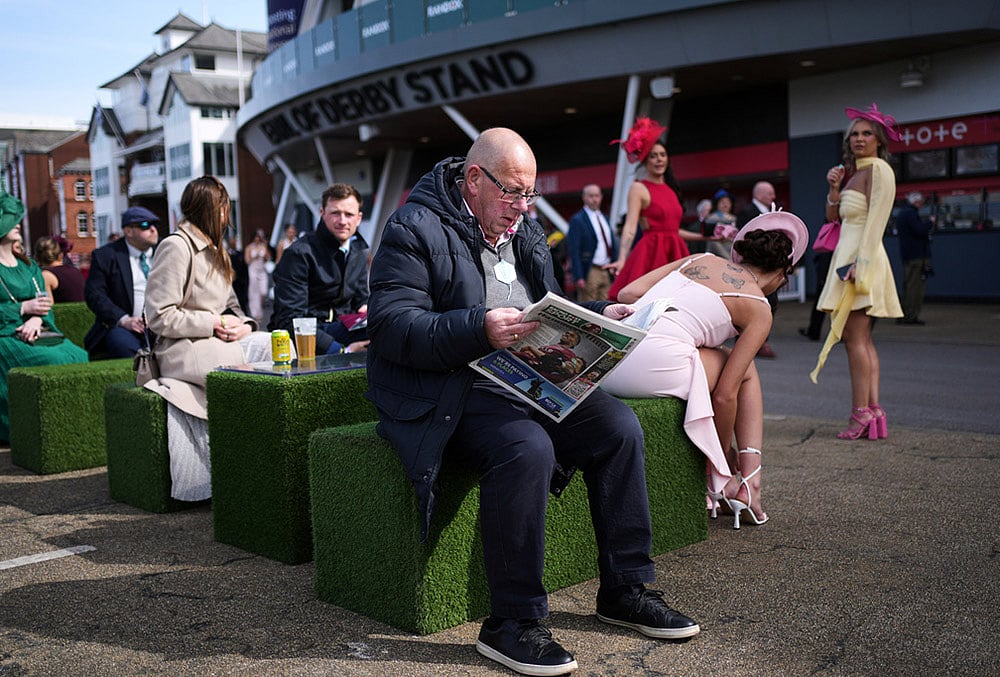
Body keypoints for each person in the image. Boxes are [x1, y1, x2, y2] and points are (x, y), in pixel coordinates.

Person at [366, 127, 699, 677]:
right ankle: (511, 623)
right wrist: (479, 327)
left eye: (530, 194)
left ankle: (626, 588)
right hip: (452, 385)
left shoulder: (523, 229)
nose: (523, 207)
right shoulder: (412, 226)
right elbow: (392, 325)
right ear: (474, 179)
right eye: (513, 193)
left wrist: (594, 315)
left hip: (525, 373)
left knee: (618, 428)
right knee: (527, 448)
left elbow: (542, 303)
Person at [602, 210, 808, 530]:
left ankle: (743, 485)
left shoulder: (701, 258)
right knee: (747, 371)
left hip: (613, 355)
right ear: (784, 273)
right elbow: (726, 396)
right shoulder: (759, 308)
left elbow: (628, 294)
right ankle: (748, 485)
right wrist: (723, 457)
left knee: (714, 357)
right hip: (654, 365)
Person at [142, 176, 263, 501]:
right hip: (182, 349)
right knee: (247, 377)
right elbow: (158, 316)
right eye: (224, 208)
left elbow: (236, 307)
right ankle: (240, 471)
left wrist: (245, 326)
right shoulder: (176, 247)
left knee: (274, 344)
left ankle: (259, 462)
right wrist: (211, 322)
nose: (228, 215)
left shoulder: (217, 250)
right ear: (213, 209)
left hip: (218, 339)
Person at [810, 103, 903, 440]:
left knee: (854, 339)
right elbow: (833, 219)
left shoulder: (880, 170)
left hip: (859, 263)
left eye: (866, 133)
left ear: (879, 139)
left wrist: (858, 268)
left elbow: (876, 223)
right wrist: (834, 188)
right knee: (861, 339)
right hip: (848, 259)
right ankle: (872, 410)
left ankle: (861, 413)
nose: (859, 139)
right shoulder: (855, 172)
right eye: (854, 135)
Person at [0, 191, 88, 441]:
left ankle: (73, 423)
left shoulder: (28, 265)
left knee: (78, 356)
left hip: (37, 331)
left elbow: (43, 304)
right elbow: (28, 305)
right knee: (54, 361)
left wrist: (37, 319)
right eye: (10, 218)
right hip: (6, 336)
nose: (18, 223)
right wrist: (22, 309)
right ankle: (34, 431)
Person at [607, 118, 709, 301]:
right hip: (651, 254)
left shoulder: (671, 190)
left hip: (676, 251)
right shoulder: (638, 188)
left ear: (668, 158)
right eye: (653, 155)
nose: (659, 159)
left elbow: (673, 231)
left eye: (662, 154)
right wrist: (622, 258)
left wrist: (706, 236)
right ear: (645, 161)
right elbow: (630, 227)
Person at [269, 183, 370, 355]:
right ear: (322, 213)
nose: (343, 221)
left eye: (349, 214)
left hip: (345, 326)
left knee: (391, 323)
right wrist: (341, 351)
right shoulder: (298, 254)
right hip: (309, 334)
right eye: (335, 213)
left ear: (359, 218)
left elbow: (361, 300)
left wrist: (366, 309)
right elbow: (291, 320)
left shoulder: (358, 251)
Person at [83, 206, 160, 358]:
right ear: (128, 231)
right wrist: (124, 320)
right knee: (125, 348)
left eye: (154, 224)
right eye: (145, 225)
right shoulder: (106, 256)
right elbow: (95, 294)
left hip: (163, 324)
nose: (153, 229)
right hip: (124, 327)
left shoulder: (166, 251)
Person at [737, 181, 781, 358]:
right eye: (770, 193)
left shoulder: (774, 212)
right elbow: (742, 238)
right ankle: (750, 341)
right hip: (753, 266)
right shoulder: (746, 212)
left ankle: (760, 339)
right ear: (759, 194)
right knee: (752, 302)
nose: (774, 196)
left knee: (771, 302)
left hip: (770, 265)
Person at [566, 184, 617, 301]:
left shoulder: (605, 218)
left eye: (597, 196)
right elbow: (574, 250)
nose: (594, 199)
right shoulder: (577, 220)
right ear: (584, 198)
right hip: (590, 269)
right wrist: (578, 276)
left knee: (606, 305)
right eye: (591, 196)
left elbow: (610, 243)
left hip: (606, 269)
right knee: (589, 307)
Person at [895, 191, 934, 325]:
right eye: (921, 202)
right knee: (915, 287)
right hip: (917, 256)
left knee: (907, 285)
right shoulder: (911, 214)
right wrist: (930, 223)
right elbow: (919, 230)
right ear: (916, 202)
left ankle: (903, 314)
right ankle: (910, 316)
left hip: (907, 255)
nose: (922, 205)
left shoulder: (902, 213)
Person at [512, 329, 584, 384]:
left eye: (572, 336)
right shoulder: (551, 346)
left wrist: (532, 349)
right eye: (567, 333)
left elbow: (569, 370)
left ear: (574, 343)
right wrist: (531, 352)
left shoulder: (570, 354)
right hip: (522, 361)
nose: (567, 334)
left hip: (534, 373)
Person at [33, 236, 85, 302]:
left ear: (37, 257)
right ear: (60, 255)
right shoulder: (77, 272)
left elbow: (45, 306)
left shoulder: (45, 276)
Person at [243, 229, 271, 321]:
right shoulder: (249, 248)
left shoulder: (263, 246)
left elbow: (268, 258)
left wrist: (265, 248)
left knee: (263, 291)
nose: (257, 239)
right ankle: (256, 313)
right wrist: (254, 256)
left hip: (262, 270)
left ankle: (259, 308)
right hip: (253, 270)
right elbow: (247, 261)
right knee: (254, 292)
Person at [704, 189, 738, 259]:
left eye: (728, 202)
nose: (725, 205)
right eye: (722, 202)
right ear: (717, 204)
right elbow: (712, 241)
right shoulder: (711, 219)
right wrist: (728, 258)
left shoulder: (734, 218)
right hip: (717, 254)